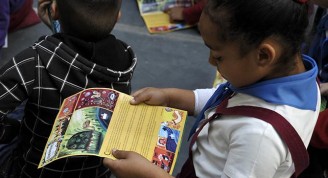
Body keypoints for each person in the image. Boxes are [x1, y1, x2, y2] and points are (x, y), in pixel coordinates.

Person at [103, 0, 321, 177]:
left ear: (263, 55)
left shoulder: (259, 137)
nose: (210, 61)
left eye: (218, 56)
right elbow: (228, 98)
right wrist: (170, 97)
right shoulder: (296, 80)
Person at [0, 0, 138, 177]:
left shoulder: (33, 61)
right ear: (118, 16)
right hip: (94, 173)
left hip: (31, 172)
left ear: (55, 10)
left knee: (19, 112)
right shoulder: (123, 62)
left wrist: (13, 130)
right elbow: (79, 60)